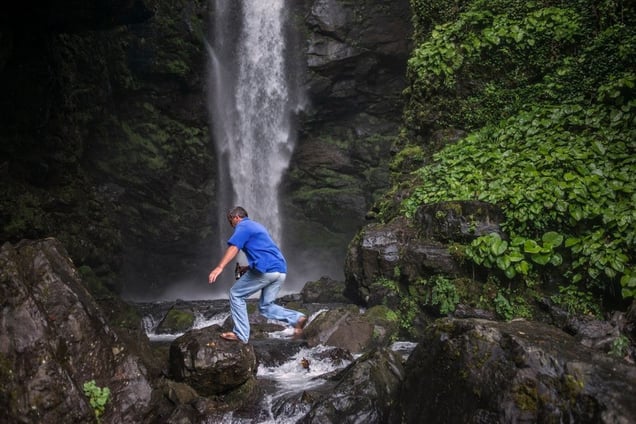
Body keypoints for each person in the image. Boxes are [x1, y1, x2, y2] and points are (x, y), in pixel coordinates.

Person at [208, 206, 307, 343]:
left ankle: (241, 335)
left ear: (236, 217)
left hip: (267, 270)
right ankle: (297, 318)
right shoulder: (257, 227)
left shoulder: (243, 226)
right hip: (280, 270)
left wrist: (219, 267)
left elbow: (234, 247)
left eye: (230, 221)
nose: (231, 225)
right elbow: (264, 252)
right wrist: (248, 268)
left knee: (236, 294)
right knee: (266, 307)